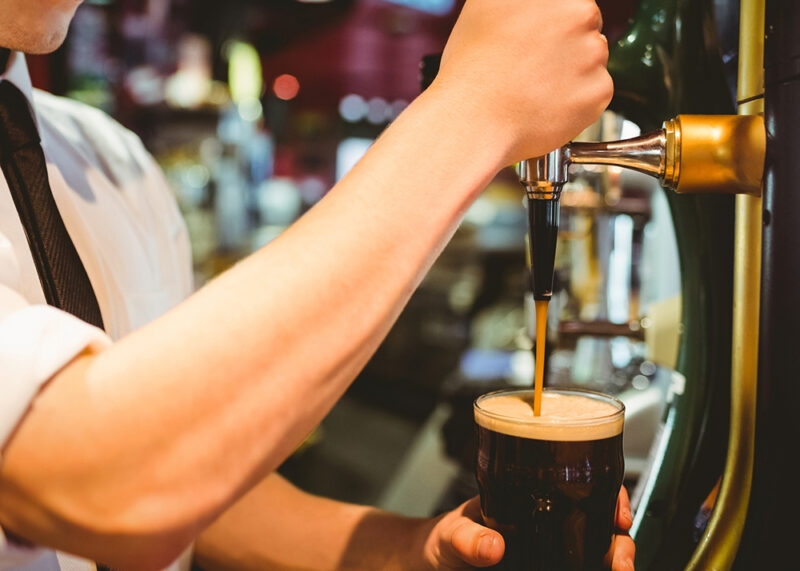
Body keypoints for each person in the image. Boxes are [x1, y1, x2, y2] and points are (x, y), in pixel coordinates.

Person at [0, 0, 635, 569]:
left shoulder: (113, 160)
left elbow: (194, 482)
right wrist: (477, 105)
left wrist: (419, 553)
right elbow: (108, 483)